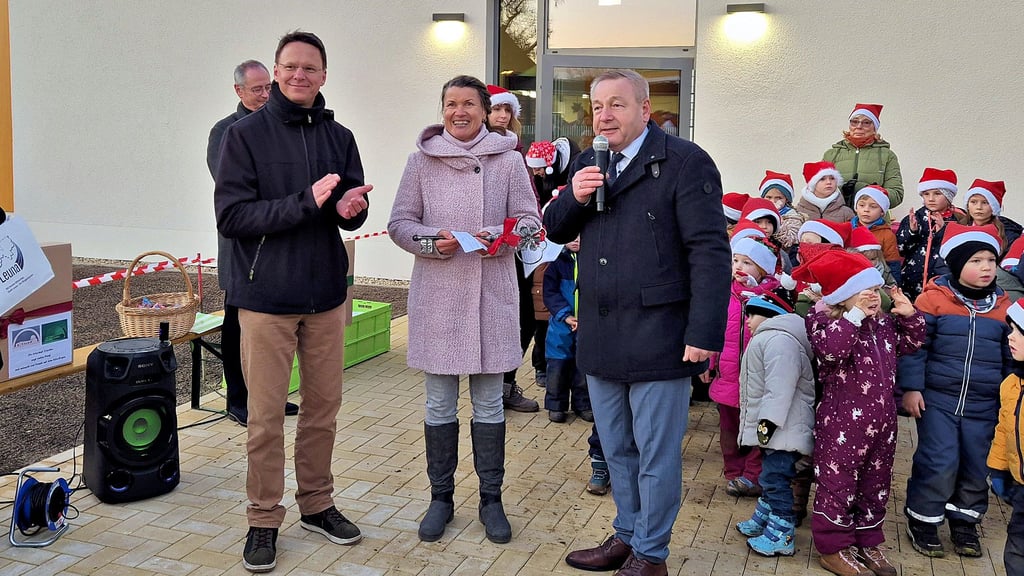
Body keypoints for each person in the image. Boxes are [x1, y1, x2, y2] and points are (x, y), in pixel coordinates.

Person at [545, 69, 731, 576]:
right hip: (601, 333)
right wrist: (573, 196)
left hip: (661, 335)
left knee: (656, 454)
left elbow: (710, 253)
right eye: (597, 106)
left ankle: (652, 554)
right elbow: (556, 229)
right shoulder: (588, 162)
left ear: (645, 110)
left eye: (617, 105)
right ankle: (627, 534)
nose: (604, 115)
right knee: (617, 446)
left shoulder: (685, 163)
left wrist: (703, 333)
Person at [214, 31, 372, 573]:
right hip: (266, 298)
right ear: (276, 73)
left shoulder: (340, 135)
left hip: (326, 294)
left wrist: (350, 210)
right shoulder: (245, 136)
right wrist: (305, 202)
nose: (300, 75)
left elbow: (347, 206)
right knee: (264, 419)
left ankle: (317, 504)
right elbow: (232, 218)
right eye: (290, 66)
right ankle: (262, 519)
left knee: (323, 411)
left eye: (311, 67)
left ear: (324, 75)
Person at [387, 74, 541, 545]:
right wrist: (434, 241)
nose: (459, 112)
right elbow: (399, 223)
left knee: (491, 403)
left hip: (492, 294)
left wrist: (504, 236)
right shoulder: (421, 161)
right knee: (438, 402)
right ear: (442, 109)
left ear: (484, 109)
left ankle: (491, 500)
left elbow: (532, 220)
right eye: (451, 103)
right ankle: (441, 498)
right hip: (439, 297)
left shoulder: (510, 160)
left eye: (469, 104)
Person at [796, 250, 925, 576]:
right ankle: (833, 547)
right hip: (842, 424)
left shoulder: (882, 323)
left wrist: (909, 316)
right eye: (863, 290)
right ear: (841, 295)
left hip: (882, 423)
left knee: (875, 484)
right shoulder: (823, 321)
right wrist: (853, 317)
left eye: (875, 289)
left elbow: (911, 343)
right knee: (838, 484)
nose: (873, 296)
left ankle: (868, 540)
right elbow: (831, 351)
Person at [898, 223, 1011, 559]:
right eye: (977, 260)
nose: (987, 267)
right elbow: (916, 348)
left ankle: (964, 521)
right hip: (938, 401)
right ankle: (924, 519)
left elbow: (1010, 359)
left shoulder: (1004, 309)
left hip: (984, 404)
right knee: (939, 460)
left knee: (977, 464)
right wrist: (911, 389)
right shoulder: (933, 299)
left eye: (991, 260)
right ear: (959, 263)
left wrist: (1006, 402)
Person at [206, 59, 298, 427]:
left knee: (275, 328)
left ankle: (270, 397)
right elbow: (233, 186)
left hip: (280, 244)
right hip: (243, 245)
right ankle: (238, 399)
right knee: (237, 325)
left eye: (268, 88)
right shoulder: (225, 131)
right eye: (257, 89)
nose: (265, 95)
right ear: (238, 91)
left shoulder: (281, 126)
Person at [734, 292, 814, 557]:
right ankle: (763, 519)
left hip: (783, 428)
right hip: (779, 429)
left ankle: (782, 532)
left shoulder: (780, 341)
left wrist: (768, 422)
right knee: (771, 475)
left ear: (770, 314)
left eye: (752, 314)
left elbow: (779, 387)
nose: (747, 320)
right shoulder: (770, 338)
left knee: (775, 478)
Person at [708, 236, 782, 498]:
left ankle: (753, 475)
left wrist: (759, 293)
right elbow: (714, 331)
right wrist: (710, 362)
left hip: (758, 379)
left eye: (747, 262)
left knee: (756, 428)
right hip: (728, 375)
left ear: (762, 270)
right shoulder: (723, 293)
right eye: (735, 260)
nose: (739, 266)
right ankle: (733, 472)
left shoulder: (772, 296)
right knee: (729, 427)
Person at [486, 84, 541, 412]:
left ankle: (505, 384)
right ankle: (494, 387)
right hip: (485, 246)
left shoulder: (516, 152)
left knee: (525, 315)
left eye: (508, 111)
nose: (503, 116)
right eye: (497, 109)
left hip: (518, 245)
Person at [988, 299, 1024, 576]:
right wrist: (998, 468)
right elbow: (1003, 428)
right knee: (1017, 546)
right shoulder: (1011, 384)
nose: (1010, 336)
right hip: (1021, 486)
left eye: (1018, 331)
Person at [896, 167, 965, 301]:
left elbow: (960, 253)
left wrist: (943, 231)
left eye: (937, 194)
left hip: (943, 284)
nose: (931, 198)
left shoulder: (959, 219)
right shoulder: (916, 217)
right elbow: (901, 249)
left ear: (948, 196)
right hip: (911, 281)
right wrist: (912, 231)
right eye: (926, 194)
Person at [543, 235, 592, 423]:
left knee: (584, 365)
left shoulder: (594, 259)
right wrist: (565, 314)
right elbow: (550, 292)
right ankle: (556, 404)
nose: (576, 240)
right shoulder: (556, 261)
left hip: (587, 322)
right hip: (561, 323)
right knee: (558, 364)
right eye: (571, 236)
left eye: (581, 235)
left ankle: (583, 404)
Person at [822, 103, 904, 211]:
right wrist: (842, 192)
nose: (859, 126)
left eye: (866, 123)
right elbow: (817, 189)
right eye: (854, 122)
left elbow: (897, 194)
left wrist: (872, 193)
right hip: (836, 218)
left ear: (874, 128)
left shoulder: (887, 155)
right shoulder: (831, 154)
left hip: (873, 222)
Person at [958, 178, 1022, 256]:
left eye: (985, 203)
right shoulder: (958, 228)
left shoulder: (1008, 234)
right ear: (967, 205)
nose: (979, 207)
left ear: (994, 207)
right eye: (973, 202)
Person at [852, 185, 901, 284]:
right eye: (862, 205)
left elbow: (893, 262)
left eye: (873, 206)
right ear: (856, 208)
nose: (866, 210)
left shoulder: (887, 234)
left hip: (877, 281)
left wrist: (895, 286)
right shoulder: (847, 229)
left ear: (882, 212)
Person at [759, 170, 804, 251]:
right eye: (769, 197)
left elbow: (790, 240)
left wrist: (778, 223)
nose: (773, 201)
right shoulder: (758, 213)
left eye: (778, 198)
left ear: (786, 200)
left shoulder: (793, 216)